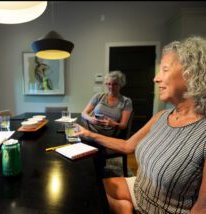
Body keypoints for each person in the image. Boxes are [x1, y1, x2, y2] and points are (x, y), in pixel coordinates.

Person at [75, 36, 206, 214]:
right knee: (82, 188)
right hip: (138, 189)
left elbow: (202, 207)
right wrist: (87, 134)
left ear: (191, 74)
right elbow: (128, 145)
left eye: (165, 70)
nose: (155, 78)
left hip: (161, 209)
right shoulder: (161, 116)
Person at [81, 70, 133, 137]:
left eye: (115, 84)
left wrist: (113, 124)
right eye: (109, 84)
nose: (111, 87)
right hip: (90, 129)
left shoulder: (126, 101)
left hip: (107, 135)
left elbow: (123, 126)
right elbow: (83, 113)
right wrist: (91, 119)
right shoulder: (99, 96)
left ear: (121, 84)